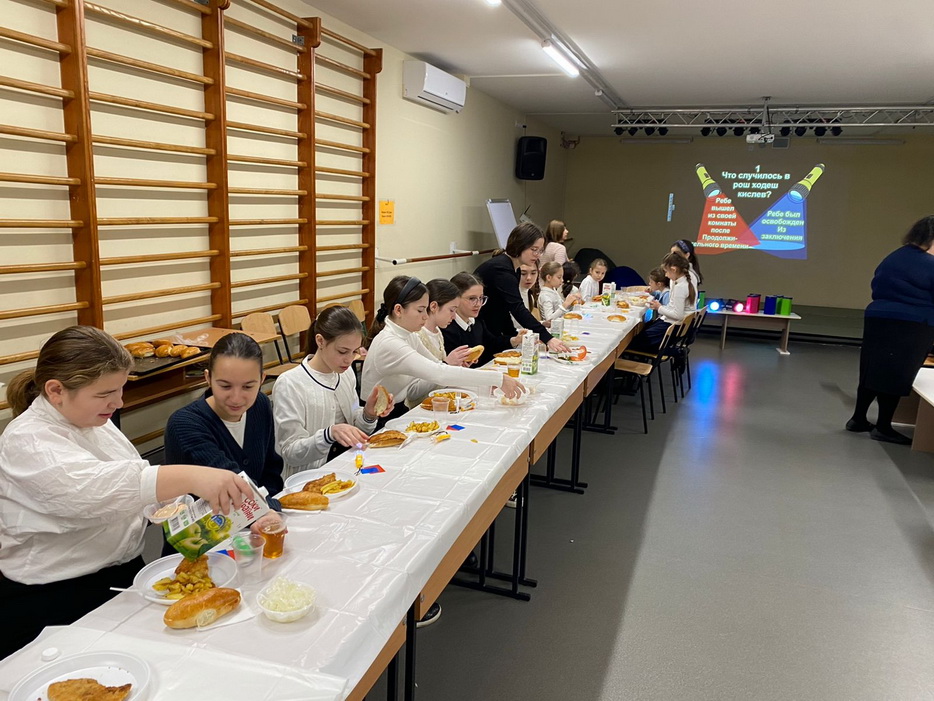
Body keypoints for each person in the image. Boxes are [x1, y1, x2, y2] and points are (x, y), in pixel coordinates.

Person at [0, 326, 253, 659]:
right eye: (106, 393)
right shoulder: (27, 441)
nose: (118, 402)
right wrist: (191, 476)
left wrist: (181, 508)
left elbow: (136, 480)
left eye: (120, 389)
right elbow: (93, 491)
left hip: (120, 572)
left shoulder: (96, 422)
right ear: (56, 390)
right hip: (54, 595)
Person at [164, 332, 284, 539]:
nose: (236, 398)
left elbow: (270, 470)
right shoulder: (185, 424)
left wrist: (271, 508)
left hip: (256, 527)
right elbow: (232, 484)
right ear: (208, 378)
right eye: (225, 386)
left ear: (262, 380)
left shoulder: (260, 405)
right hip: (203, 540)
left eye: (248, 386)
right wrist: (268, 510)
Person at [362, 275, 525, 410]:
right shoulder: (391, 343)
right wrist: (497, 379)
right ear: (398, 310)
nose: (425, 316)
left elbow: (438, 368)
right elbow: (439, 372)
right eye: (420, 310)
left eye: (425, 309)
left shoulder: (408, 335)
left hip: (395, 408)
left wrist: (483, 380)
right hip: (377, 415)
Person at [272, 306, 394, 476]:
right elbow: (290, 452)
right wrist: (328, 435)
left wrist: (368, 414)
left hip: (348, 463)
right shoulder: (290, 383)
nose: (349, 359)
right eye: (342, 351)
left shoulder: (345, 374)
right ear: (320, 341)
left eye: (355, 351)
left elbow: (356, 426)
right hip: (310, 476)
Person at [847, 216, 934, 443]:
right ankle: (884, 427)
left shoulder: (895, 256)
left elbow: (876, 283)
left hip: (878, 316)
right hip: (912, 323)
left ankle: (858, 419)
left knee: (872, 369)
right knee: (897, 373)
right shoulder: (930, 263)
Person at [474, 223, 569, 354]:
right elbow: (517, 308)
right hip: (480, 328)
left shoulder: (515, 269)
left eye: (540, 250)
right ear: (520, 245)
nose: (538, 255)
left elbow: (505, 307)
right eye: (534, 249)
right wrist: (548, 338)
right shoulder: (501, 269)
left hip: (492, 324)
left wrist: (513, 335)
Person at [444, 272, 524, 364]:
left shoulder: (477, 322)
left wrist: (515, 340)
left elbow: (491, 344)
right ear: (455, 299)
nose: (478, 304)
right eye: (472, 299)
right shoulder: (447, 328)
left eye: (481, 298)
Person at [627, 253, 696, 352]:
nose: (666, 275)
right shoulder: (682, 280)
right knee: (642, 333)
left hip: (673, 324)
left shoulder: (680, 287)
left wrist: (659, 307)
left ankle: (675, 352)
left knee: (633, 343)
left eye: (666, 271)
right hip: (674, 323)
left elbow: (678, 315)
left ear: (674, 269)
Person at [418, 279, 473, 366]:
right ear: (433, 306)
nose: (454, 316)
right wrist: (448, 363)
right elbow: (423, 371)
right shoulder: (418, 336)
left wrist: (457, 365)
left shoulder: (438, 331)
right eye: (451, 310)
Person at [511, 263, 540, 331]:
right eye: (523, 274)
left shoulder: (530, 296)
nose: (529, 278)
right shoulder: (510, 296)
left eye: (533, 273)